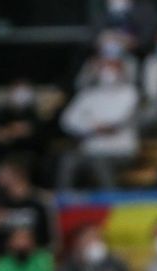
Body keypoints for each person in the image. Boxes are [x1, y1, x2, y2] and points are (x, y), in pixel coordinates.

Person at [58, 56, 140, 190]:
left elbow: (118, 120)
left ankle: (111, 199)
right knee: (68, 160)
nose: (108, 72)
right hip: (90, 150)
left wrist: (93, 123)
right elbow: (67, 120)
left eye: (113, 68)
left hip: (120, 151)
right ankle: (64, 199)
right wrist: (91, 127)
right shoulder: (88, 94)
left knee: (100, 162)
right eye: (104, 67)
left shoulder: (129, 92)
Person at [0, 157, 59, 255]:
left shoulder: (41, 201)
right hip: (3, 259)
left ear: (17, 174)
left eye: (2, 173)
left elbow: (53, 240)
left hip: (36, 257)